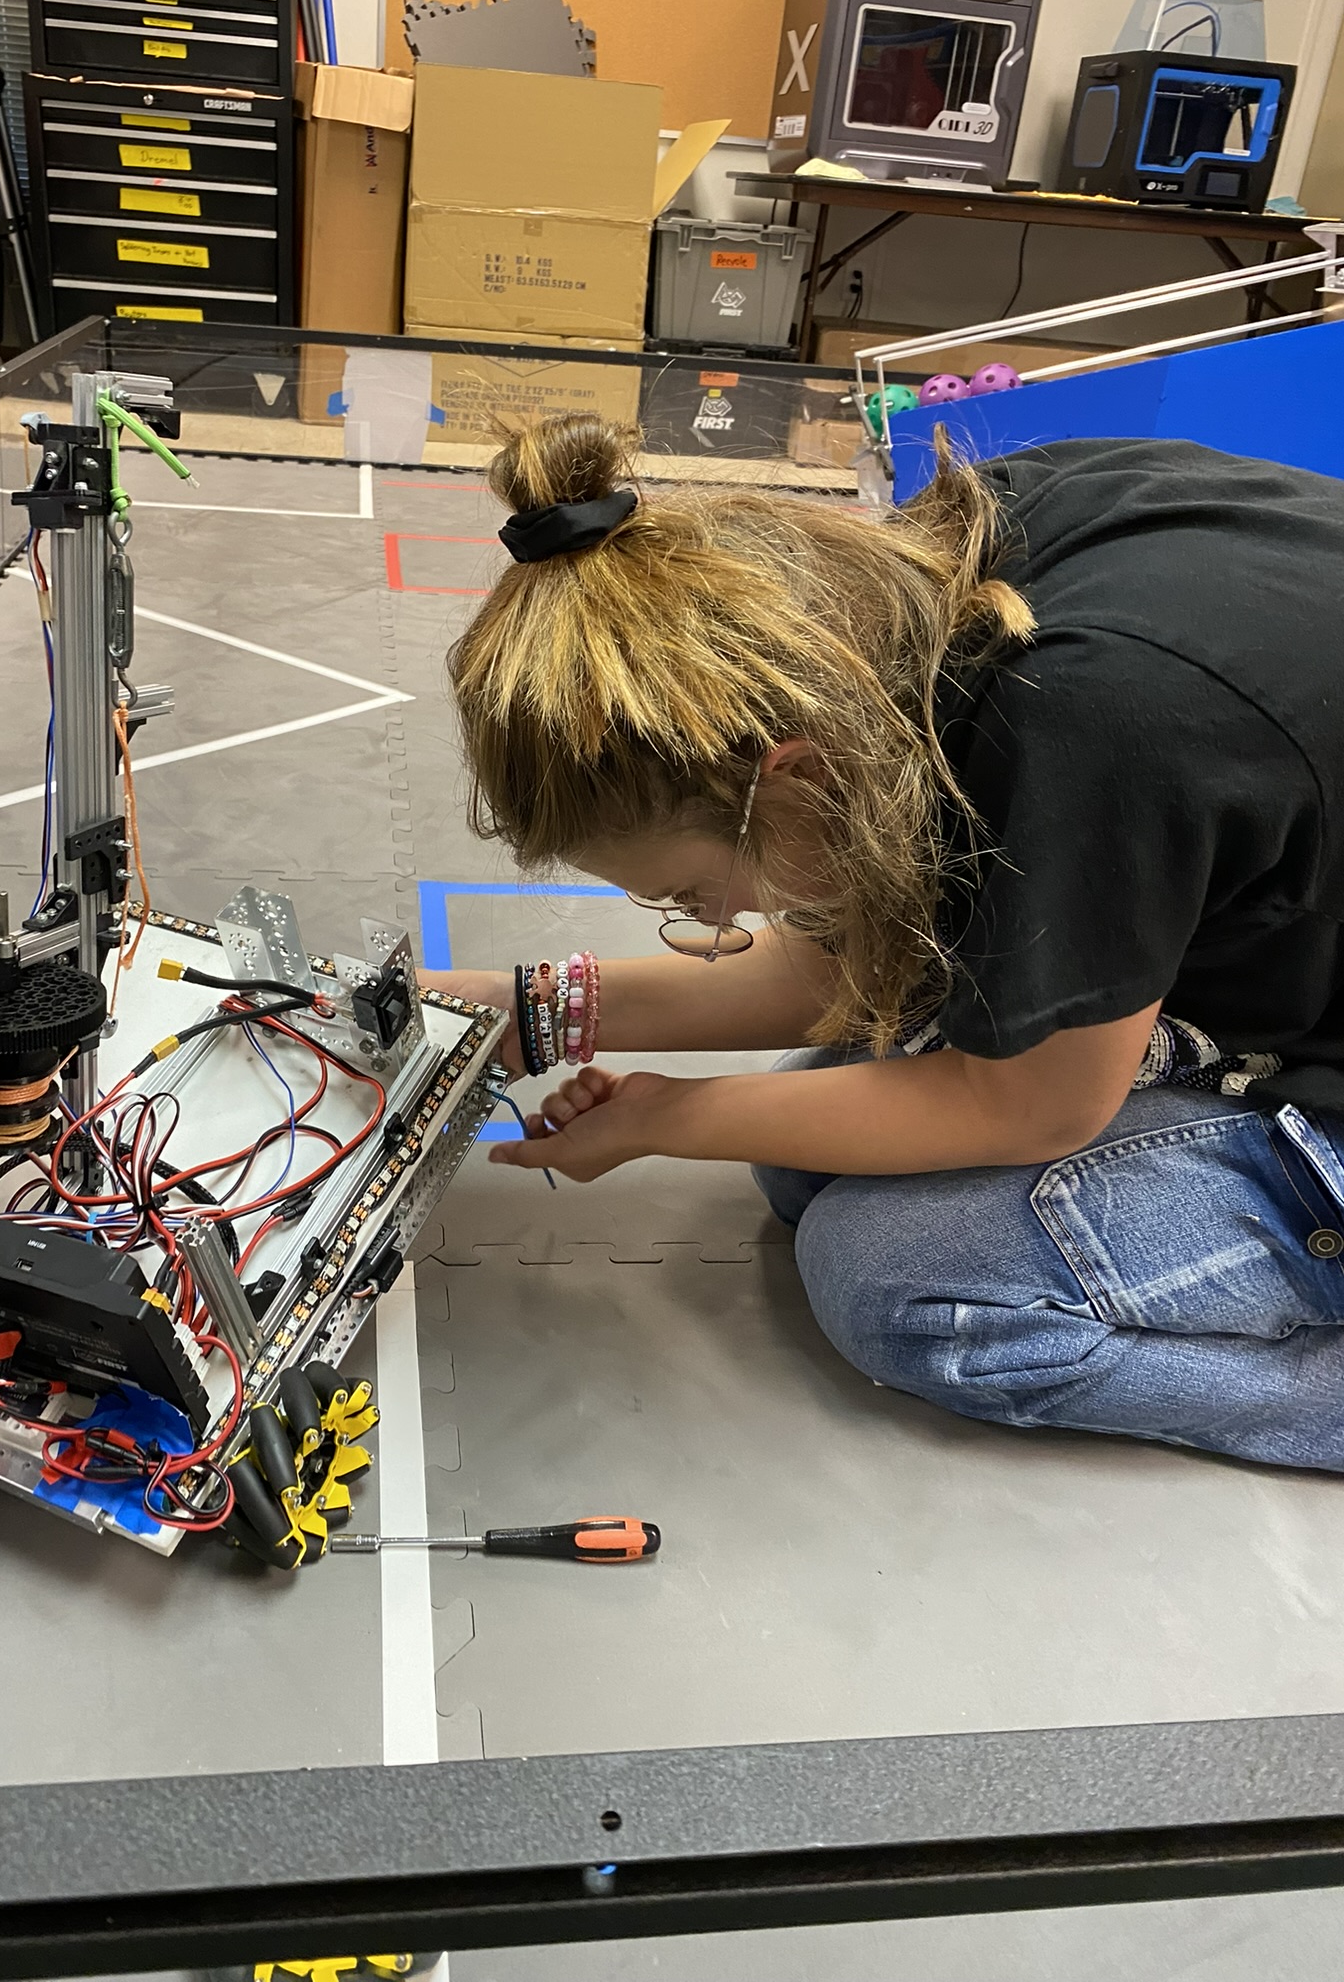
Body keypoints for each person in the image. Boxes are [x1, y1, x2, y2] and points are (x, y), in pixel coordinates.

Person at [422, 414, 1344, 1472]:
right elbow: (845, 954)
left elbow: (1034, 1104)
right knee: (799, 1157)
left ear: (796, 775)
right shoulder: (923, 597)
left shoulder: (1093, 724)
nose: (719, 924)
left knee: (893, 1278)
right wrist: (526, 1007)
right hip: (1284, 953)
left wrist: (668, 1115)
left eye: (690, 892)